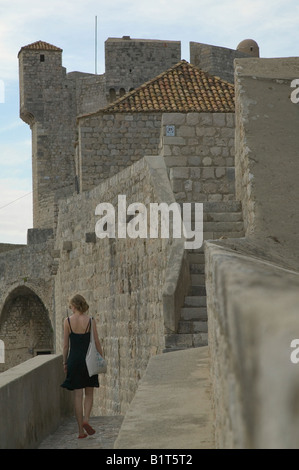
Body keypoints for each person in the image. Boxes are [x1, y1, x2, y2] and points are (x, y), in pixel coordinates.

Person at [61, 294, 104, 439]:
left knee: (77, 395)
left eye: (71, 306)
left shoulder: (67, 321)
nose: (70, 308)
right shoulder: (91, 321)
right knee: (89, 393)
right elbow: (97, 342)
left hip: (74, 360)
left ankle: (80, 431)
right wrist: (101, 358)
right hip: (88, 360)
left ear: (74, 305)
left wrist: (65, 362)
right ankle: (86, 419)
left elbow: (66, 345)